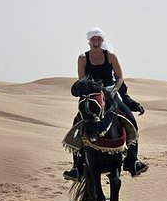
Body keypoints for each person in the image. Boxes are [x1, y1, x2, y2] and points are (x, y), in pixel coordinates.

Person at [63, 27, 149, 181]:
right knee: (78, 121)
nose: (96, 42)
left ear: (102, 41)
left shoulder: (110, 56)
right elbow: (82, 80)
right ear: (89, 41)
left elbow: (120, 77)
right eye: (93, 39)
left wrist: (114, 91)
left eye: (99, 39)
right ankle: (77, 166)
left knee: (130, 119)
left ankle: (133, 161)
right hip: (92, 93)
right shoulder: (83, 58)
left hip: (110, 91)